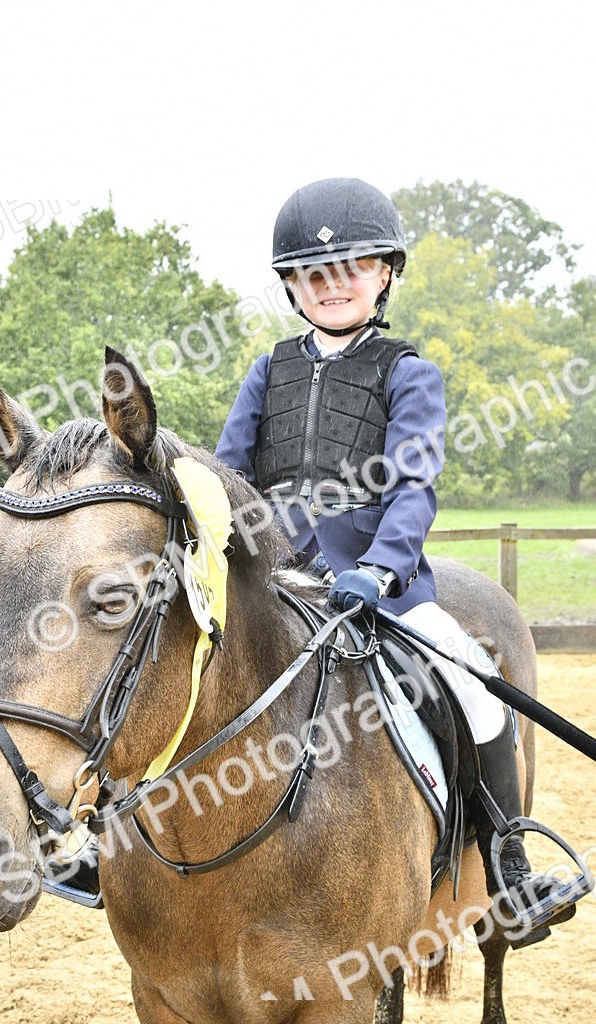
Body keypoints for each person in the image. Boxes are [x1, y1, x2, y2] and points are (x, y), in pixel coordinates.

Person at [215, 176, 577, 947]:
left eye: (351, 269)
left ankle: (508, 867)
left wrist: (379, 571)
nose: (332, 286)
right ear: (291, 286)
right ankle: (104, 841)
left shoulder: (407, 372)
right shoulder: (266, 372)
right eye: (314, 274)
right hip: (273, 580)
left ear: (383, 275)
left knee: (472, 688)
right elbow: (228, 476)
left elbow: (413, 486)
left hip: (377, 582)